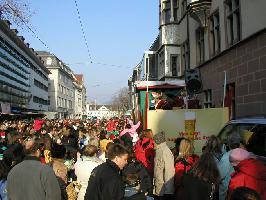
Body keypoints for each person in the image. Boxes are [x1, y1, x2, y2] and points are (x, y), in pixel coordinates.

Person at [204, 135, 234, 200]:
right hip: (219, 191)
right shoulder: (225, 157)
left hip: (220, 191)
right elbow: (218, 177)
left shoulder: (206, 157)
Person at [153, 131, 175, 200]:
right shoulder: (159, 150)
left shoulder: (165, 151)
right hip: (159, 187)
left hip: (163, 190)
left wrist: (168, 191)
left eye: (154, 140)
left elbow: (169, 171)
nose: (152, 142)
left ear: (157, 141)